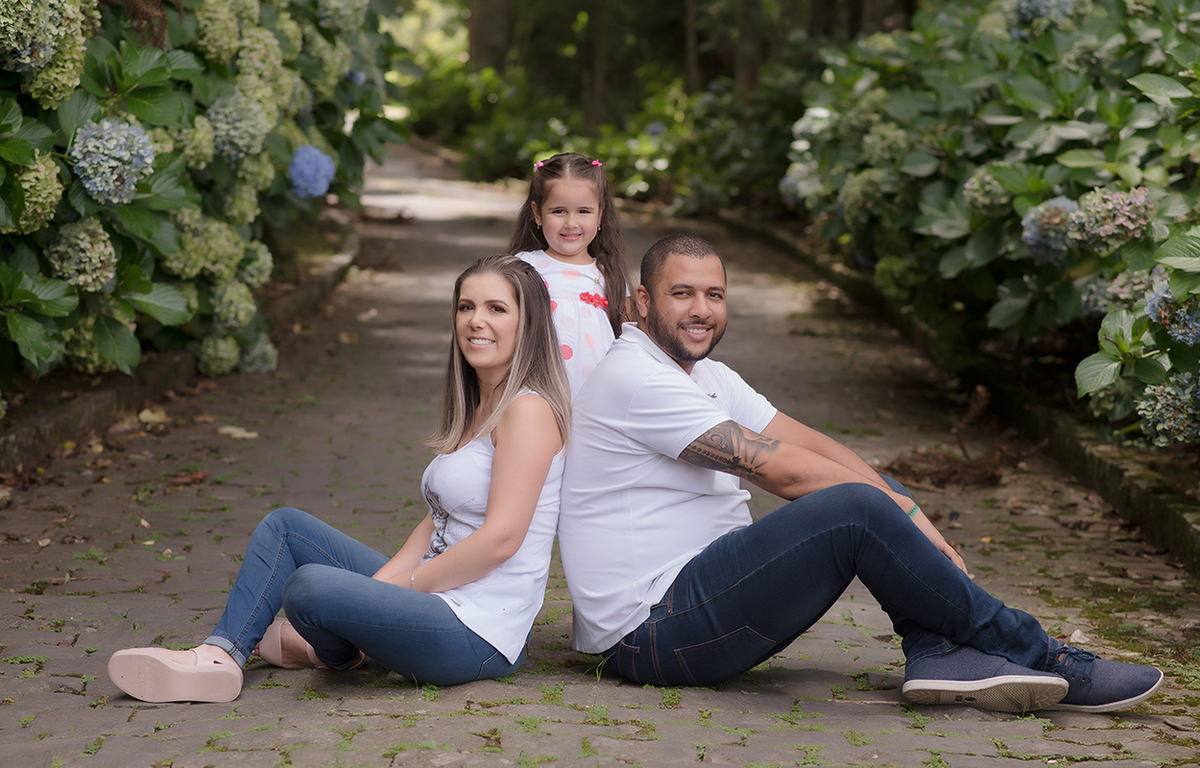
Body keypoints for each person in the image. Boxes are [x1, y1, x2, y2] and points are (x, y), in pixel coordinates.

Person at [557, 233, 1164, 713]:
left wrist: (910, 509)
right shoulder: (636, 377)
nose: (701, 310)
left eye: (714, 295)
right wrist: (899, 516)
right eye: (682, 293)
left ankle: (938, 652)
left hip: (696, 597)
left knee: (870, 488)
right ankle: (1039, 653)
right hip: (651, 631)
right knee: (856, 505)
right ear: (643, 302)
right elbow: (785, 473)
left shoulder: (705, 375)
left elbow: (816, 445)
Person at [108, 254, 571, 702]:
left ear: (527, 323)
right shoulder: (479, 406)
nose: (475, 321)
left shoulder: (527, 411)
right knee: (285, 528)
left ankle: (332, 651)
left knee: (310, 587)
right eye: (466, 306)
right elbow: (437, 520)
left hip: (477, 633)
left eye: (496, 309)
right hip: (436, 598)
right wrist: (380, 591)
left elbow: (501, 540)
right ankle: (219, 657)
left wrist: (395, 590)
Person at [509, 152, 633, 397]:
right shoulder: (523, 267)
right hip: (536, 394)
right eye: (559, 211)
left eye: (583, 211)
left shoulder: (611, 276)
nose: (571, 223)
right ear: (537, 213)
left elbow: (630, 341)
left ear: (600, 214)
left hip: (597, 397)